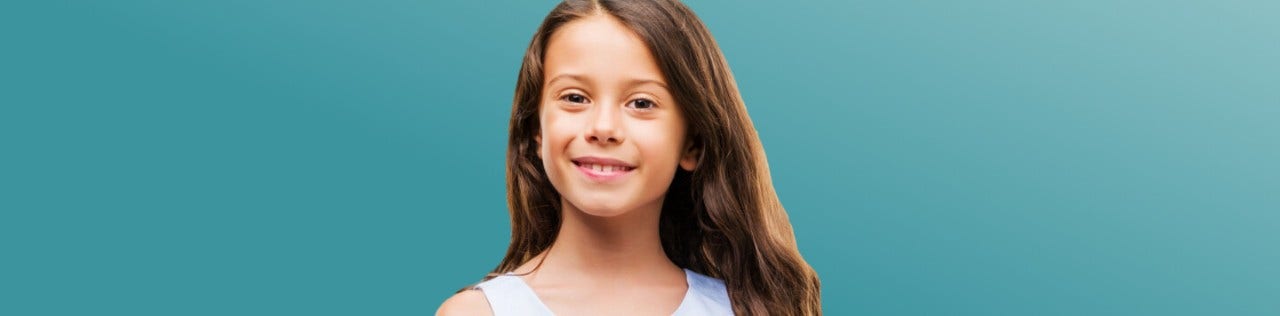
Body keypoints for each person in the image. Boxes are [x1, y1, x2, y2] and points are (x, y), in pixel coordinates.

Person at [437, 0, 821, 314]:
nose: (604, 128)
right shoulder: (477, 312)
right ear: (537, 132)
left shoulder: (747, 310)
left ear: (692, 144)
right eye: (574, 97)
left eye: (641, 103)